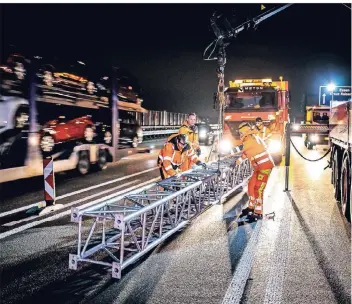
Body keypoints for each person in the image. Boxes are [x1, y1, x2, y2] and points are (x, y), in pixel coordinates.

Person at [232, 122, 275, 221]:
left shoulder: (250, 141)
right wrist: (236, 162)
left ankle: (258, 213)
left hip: (264, 168)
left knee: (258, 189)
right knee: (251, 185)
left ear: (245, 132)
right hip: (258, 168)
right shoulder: (251, 139)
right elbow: (246, 154)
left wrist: (224, 153)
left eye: (241, 133)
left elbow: (237, 150)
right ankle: (251, 207)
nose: (240, 135)